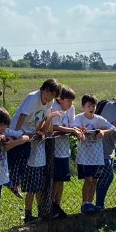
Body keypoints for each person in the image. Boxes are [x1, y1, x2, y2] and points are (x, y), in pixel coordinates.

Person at [8, 78, 60, 199]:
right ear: (41, 89)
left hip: (29, 133)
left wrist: (38, 131)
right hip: (19, 129)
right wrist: (16, 133)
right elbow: (23, 115)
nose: (48, 96)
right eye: (47, 92)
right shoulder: (33, 98)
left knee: (24, 157)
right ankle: (8, 180)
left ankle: (13, 183)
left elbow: (43, 116)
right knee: (14, 156)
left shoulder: (50, 102)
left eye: (52, 94)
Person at [73, 94, 115, 213]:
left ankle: (90, 203)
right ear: (83, 107)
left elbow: (113, 128)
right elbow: (74, 127)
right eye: (88, 106)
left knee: (95, 179)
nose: (91, 108)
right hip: (85, 155)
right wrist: (79, 131)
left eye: (93, 106)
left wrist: (103, 132)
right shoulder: (79, 118)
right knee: (88, 179)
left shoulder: (98, 119)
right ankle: (85, 203)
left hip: (97, 155)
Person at [48, 87, 80, 219]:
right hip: (54, 150)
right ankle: (50, 205)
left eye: (72, 101)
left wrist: (78, 130)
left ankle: (57, 204)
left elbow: (72, 125)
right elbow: (55, 127)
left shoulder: (71, 109)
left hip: (64, 150)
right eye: (68, 101)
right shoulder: (54, 107)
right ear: (60, 99)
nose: (71, 104)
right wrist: (72, 131)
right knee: (55, 180)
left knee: (62, 180)